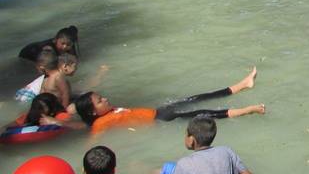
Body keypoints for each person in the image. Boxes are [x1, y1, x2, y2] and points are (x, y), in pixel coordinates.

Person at [74, 67, 265, 134]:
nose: (105, 99)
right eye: (100, 101)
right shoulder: (100, 123)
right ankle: (247, 110)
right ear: (92, 112)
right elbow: (93, 141)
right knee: (201, 114)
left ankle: (242, 84)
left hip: (160, 110)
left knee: (198, 98)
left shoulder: (107, 113)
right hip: (161, 118)